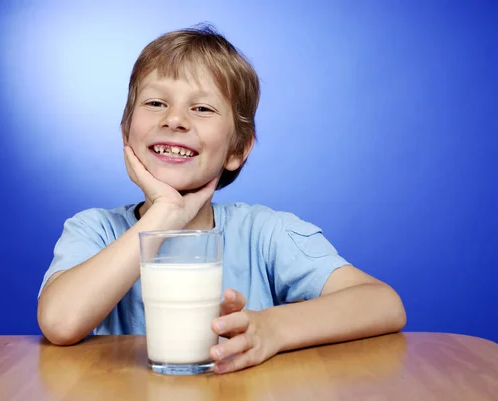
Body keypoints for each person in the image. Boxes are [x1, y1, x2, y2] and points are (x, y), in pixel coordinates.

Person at [37, 24, 406, 374]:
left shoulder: (266, 234)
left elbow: (383, 303)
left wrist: (272, 328)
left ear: (237, 149)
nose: (175, 119)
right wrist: (166, 214)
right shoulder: (95, 230)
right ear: (126, 132)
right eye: (154, 103)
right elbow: (60, 322)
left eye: (202, 108)